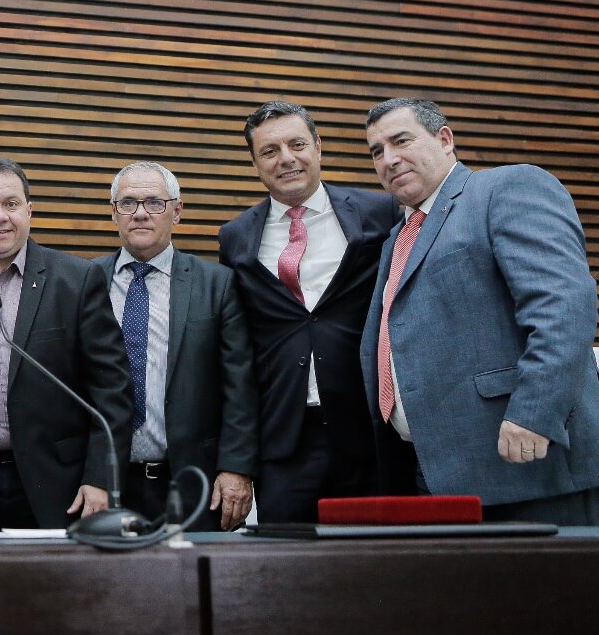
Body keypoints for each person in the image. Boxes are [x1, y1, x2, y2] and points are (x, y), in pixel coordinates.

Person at [361, 97, 599, 524]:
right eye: (377, 151)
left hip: (526, 459)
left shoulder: (505, 188)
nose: (389, 159)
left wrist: (534, 413)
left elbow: (561, 306)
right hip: (438, 474)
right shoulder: (398, 237)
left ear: (445, 139)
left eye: (401, 141)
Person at [0, 157, 132, 531]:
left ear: (29, 211)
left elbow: (112, 390)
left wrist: (100, 477)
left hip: (58, 481)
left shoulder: (77, 280)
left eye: (10, 204)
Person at [219, 101, 399, 522]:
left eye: (297, 144)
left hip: (370, 428)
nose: (286, 159)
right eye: (269, 151)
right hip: (285, 438)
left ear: (318, 147)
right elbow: (239, 348)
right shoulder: (235, 237)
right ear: (255, 163)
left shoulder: (380, 213)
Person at [97, 162, 258, 531]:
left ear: (177, 211)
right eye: (128, 203)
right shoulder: (86, 282)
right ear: (114, 213)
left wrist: (236, 468)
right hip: (108, 484)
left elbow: (240, 386)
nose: (140, 213)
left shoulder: (216, 284)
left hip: (193, 481)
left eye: (154, 202)